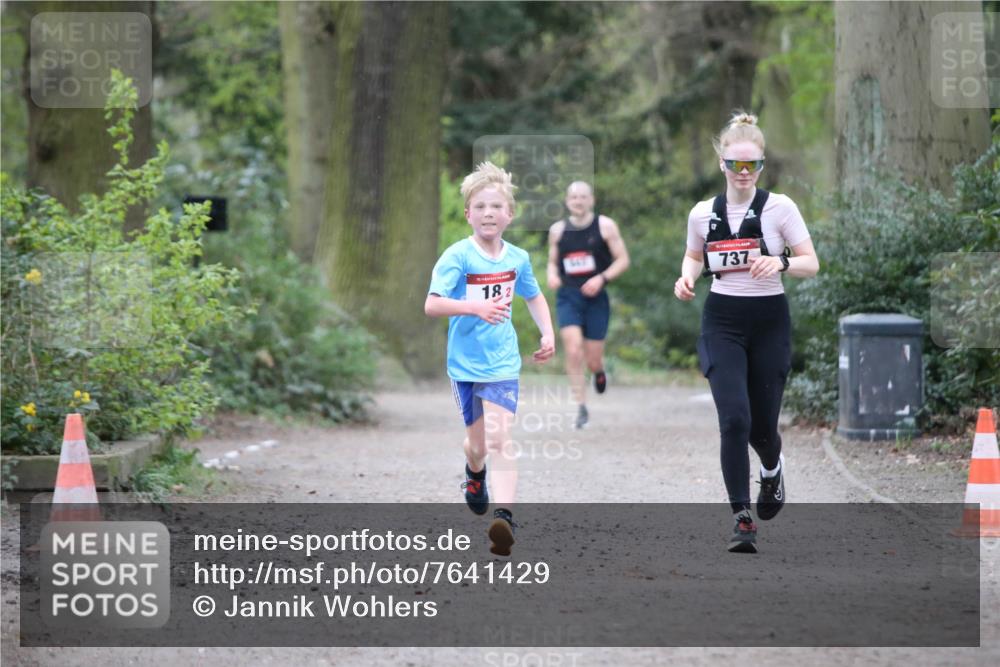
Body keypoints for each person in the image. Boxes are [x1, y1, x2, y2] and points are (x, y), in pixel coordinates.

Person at [673, 112, 819, 554]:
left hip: (769, 320)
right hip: (722, 320)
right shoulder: (702, 213)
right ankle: (742, 517)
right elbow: (694, 256)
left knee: (762, 429)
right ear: (722, 164)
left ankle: (772, 469)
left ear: (761, 165)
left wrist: (781, 262)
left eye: (751, 165)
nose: (743, 172)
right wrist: (686, 278)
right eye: (735, 164)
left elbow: (811, 263)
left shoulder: (781, 208)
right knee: (734, 420)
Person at [425, 162, 556, 556]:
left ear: (509, 214)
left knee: (501, 439)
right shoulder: (458, 256)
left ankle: (504, 518)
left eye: (496, 206)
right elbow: (432, 305)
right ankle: (474, 472)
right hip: (464, 364)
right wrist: (474, 308)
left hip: (502, 363)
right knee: (478, 446)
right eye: (480, 207)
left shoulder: (517, 258)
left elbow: (533, 295)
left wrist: (547, 333)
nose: (488, 213)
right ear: (468, 214)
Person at [546, 181, 630, 429]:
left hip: (596, 298)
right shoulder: (557, 230)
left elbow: (623, 260)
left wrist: (601, 278)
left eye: (583, 197)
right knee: (573, 350)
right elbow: (552, 262)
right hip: (568, 296)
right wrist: (552, 275)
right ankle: (581, 407)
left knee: (593, 359)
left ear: (591, 200)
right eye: (574, 197)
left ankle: (598, 371)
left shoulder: (605, 226)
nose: (578, 201)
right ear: (567, 201)